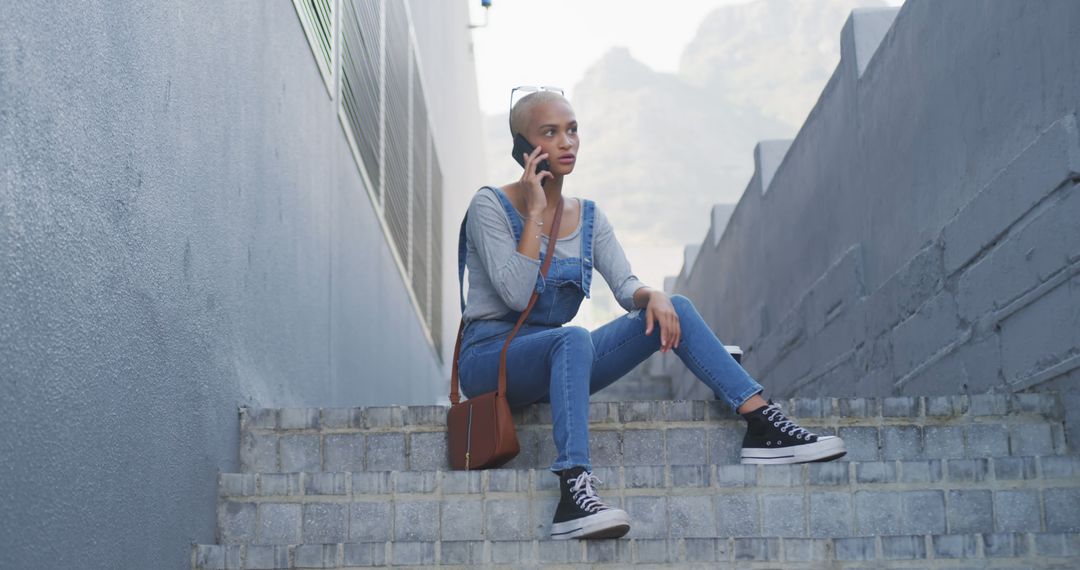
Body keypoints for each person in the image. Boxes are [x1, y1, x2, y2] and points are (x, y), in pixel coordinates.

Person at [455, 87, 846, 541]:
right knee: (572, 338)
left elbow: (625, 286)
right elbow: (517, 295)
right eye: (550, 133)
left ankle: (761, 422)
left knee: (671, 306)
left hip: (557, 362)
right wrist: (537, 212)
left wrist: (651, 295)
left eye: (572, 130)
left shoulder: (590, 217)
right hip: (490, 360)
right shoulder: (490, 205)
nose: (567, 142)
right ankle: (573, 491)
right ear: (524, 149)